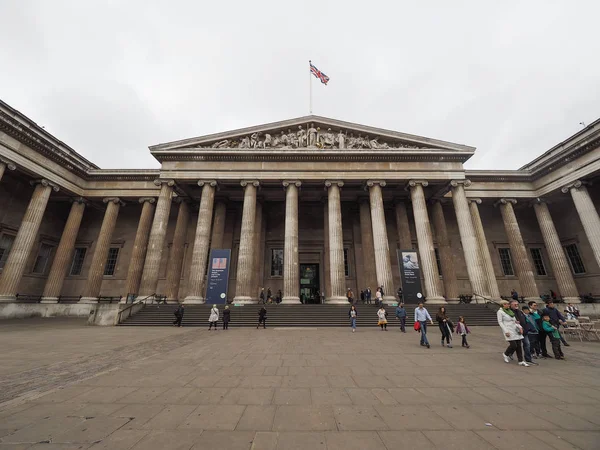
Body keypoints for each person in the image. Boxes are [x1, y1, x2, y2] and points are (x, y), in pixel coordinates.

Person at [497, 300, 529, 366]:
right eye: (506, 304)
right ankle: (506, 354)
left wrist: (520, 327)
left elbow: (515, 321)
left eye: (508, 304)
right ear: (503, 305)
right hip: (508, 329)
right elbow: (500, 322)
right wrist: (506, 331)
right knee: (513, 345)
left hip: (515, 329)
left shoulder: (510, 311)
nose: (508, 305)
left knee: (519, 345)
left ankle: (521, 360)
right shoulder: (500, 312)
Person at [511, 301, 537, 365]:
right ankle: (509, 353)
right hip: (516, 331)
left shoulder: (520, 312)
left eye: (517, 304)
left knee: (527, 344)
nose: (516, 305)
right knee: (516, 345)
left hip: (524, 331)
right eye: (515, 304)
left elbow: (525, 320)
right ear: (510, 305)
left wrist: (528, 328)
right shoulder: (510, 312)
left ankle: (528, 359)